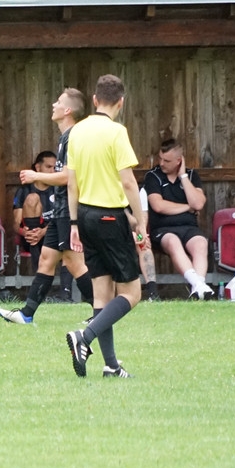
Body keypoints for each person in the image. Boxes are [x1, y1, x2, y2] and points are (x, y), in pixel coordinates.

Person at [64, 75, 146, 379]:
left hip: (85, 215)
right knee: (132, 293)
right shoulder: (116, 132)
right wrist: (140, 221)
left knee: (102, 295)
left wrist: (74, 222)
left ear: (95, 99)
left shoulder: (77, 131)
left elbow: (71, 183)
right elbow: (128, 182)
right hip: (110, 216)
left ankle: (111, 365)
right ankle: (83, 337)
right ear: (121, 103)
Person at [0, 88, 95, 324]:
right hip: (61, 211)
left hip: (68, 211)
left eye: (58, 101)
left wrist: (36, 176)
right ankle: (26, 314)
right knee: (47, 260)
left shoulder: (73, 138)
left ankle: (102, 313)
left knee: (74, 263)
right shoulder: (64, 138)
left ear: (68, 110)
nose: (53, 105)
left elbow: (69, 178)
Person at [144, 139, 212, 300]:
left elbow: (198, 203)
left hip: (189, 227)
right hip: (163, 229)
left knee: (201, 243)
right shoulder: (153, 176)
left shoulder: (191, 175)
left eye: (167, 161)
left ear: (179, 161)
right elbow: (158, 206)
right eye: (160, 158)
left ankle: (197, 289)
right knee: (173, 241)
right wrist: (187, 207)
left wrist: (183, 176)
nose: (161, 163)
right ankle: (198, 284)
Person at [13, 151, 56, 269]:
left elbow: (64, 218)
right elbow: (16, 224)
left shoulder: (59, 189)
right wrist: (25, 232)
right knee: (33, 198)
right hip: (30, 237)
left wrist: (43, 232)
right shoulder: (24, 190)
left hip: (53, 235)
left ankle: (40, 273)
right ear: (37, 167)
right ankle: (40, 270)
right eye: (48, 167)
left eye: (55, 168)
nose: (52, 172)